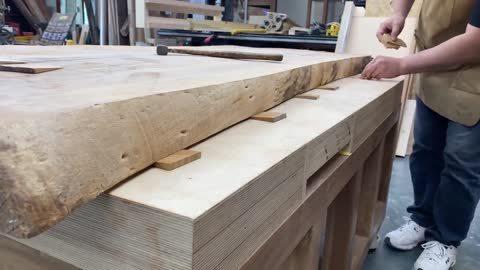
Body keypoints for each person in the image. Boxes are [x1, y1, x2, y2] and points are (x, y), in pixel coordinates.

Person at [361, 1, 480, 270]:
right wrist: (398, 14)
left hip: (474, 72)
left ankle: (446, 240)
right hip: (434, 63)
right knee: (426, 151)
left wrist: (403, 64)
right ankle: (423, 220)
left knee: (461, 164)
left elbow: (475, 42)